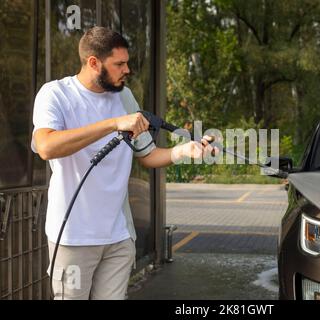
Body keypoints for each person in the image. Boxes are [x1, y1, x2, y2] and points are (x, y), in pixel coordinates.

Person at [31, 26, 217, 300]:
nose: (127, 69)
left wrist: (183, 151)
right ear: (93, 62)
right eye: (119, 64)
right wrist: (113, 124)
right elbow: (47, 146)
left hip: (118, 237)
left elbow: (148, 155)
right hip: (73, 237)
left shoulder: (125, 97)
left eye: (127, 62)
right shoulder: (56, 94)